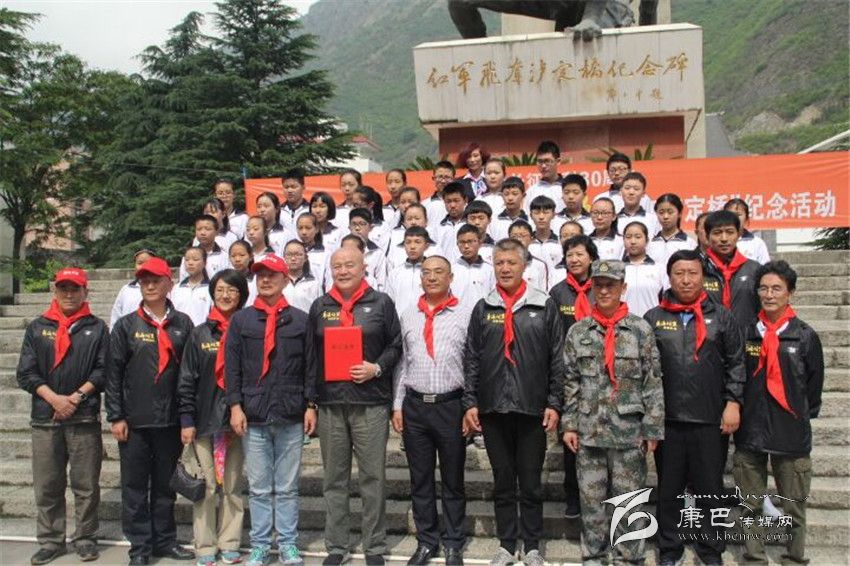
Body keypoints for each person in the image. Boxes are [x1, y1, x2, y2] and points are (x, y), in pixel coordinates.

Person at [462, 238, 564, 566]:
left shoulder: (543, 305)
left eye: (511, 263)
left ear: (524, 266)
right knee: (503, 481)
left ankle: (531, 545)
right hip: (493, 408)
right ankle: (507, 545)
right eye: (499, 263)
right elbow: (472, 358)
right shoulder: (484, 307)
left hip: (532, 408)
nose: (505, 269)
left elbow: (557, 357)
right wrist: (470, 402)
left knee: (531, 483)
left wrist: (554, 403)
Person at [643, 249, 746, 566]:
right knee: (669, 489)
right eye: (679, 273)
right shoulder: (654, 318)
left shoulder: (723, 316)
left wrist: (733, 402)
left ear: (703, 277)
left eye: (692, 273)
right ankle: (670, 549)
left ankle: (710, 549)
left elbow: (736, 363)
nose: (686, 280)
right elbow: (644, 371)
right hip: (668, 420)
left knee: (710, 489)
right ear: (669, 277)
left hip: (709, 419)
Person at [563, 259, 664, 565]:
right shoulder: (578, 332)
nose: (604, 291)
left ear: (623, 288)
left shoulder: (640, 330)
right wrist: (569, 424)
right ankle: (594, 557)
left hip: (628, 433)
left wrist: (652, 428)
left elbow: (652, 381)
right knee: (591, 503)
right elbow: (571, 382)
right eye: (599, 285)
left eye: (611, 285)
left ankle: (628, 559)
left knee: (629, 503)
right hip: (589, 431)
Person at [305, 247, 402, 566]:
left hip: (370, 402)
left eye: (349, 265)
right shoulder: (321, 306)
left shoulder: (381, 303)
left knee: (373, 477)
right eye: (337, 266)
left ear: (363, 268)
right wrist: (310, 402)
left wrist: (377, 368)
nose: (343, 271)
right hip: (331, 403)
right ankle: (337, 545)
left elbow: (396, 345)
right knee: (334, 478)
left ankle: (374, 546)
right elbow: (311, 357)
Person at [224, 254, 313, 566]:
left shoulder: (301, 320)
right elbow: (232, 367)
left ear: (285, 279)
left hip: (290, 413)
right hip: (254, 413)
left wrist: (310, 405)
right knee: (260, 489)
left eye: (272, 274)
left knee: (287, 488)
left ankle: (288, 543)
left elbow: (311, 367)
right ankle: (260, 545)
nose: (265, 279)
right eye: (260, 274)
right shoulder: (241, 320)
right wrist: (235, 406)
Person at [105, 256, 195, 565]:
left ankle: (164, 541)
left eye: (156, 280)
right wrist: (116, 415)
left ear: (169, 283)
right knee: (134, 488)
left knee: (165, 486)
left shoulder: (183, 324)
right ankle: (140, 548)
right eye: (144, 281)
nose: (150, 285)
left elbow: (188, 374)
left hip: (170, 420)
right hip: (135, 421)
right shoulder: (126, 325)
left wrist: (187, 416)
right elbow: (113, 374)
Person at [734, 260, 824, 565]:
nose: (769, 295)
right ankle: (754, 557)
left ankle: (794, 558)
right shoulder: (748, 333)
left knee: (794, 505)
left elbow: (813, 388)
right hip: (751, 431)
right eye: (763, 288)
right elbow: (737, 377)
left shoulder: (805, 336)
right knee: (750, 505)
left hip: (791, 432)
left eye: (776, 288)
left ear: (790, 293)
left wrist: (796, 415)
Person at [17, 267, 108, 565]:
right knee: (47, 484)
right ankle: (51, 540)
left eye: (75, 288)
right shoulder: (37, 327)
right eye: (63, 288)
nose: (69, 294)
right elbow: (26, 373)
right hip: (46, 418)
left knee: (86, 485)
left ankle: (86, 538)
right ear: (55, 291)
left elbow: (103, 370)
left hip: (84, 417)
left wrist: (76, 397)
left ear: (85, 291)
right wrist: (54, 399)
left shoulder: (97, 327)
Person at [392, 256, 472, 566]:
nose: (432, 277)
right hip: (415, 407)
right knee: (420, 478)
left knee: (453, 479)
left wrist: (470, 406)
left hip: (451, 406)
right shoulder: (408, 314)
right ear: (420, 278)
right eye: (426, 273)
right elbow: (402, 363)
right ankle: (427, 541)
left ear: (451, 277)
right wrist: (397, 405)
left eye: (439, 272)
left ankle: (453, 542)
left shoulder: (465, 313)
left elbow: (472, 364)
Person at [177, 269, 249, 566]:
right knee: (205, 487)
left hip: (238, 420)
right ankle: (205, 546)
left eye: (232, 290)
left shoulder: (248, 329)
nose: (225, 295)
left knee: (232, 487)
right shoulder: (200, 333)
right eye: (220, 289)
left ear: (241, 295)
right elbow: (186, 379)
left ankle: (230, 542)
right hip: (204, 419)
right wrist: (186, 419)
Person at [548, 236, 599, 518]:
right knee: (571, 436)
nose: (574, 260)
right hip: (569, 373)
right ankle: (573, 497)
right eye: (570, 255)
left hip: (599, 374)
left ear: (591, 257)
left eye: (580, 254)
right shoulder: (558, 292)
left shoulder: (602, 287)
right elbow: (553, 334)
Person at [703, 210, 761, 327]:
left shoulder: (754, 269)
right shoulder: (698, 269)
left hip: (746, 335)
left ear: (738, 234)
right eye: (717, 233)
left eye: (730, 232)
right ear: (707, 236)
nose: (724, 238)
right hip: (709, 336)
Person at [387, 226, 432, 316]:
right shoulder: (395, 273)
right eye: (408, 242)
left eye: (417, 242)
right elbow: (389, 302)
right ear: (404, 245)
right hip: (400, 321)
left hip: (427, 320)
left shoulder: (432, 273)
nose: (412, 247)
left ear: (426, 246)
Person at [622, 222, 665, 317]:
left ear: (647, 240)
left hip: (652, 321)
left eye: (638, 237)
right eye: (628, 237)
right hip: (623, 322)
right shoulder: (617, 269)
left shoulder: (659, 269)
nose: (633, 241)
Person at [386, 205, 439, 275]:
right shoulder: (396, 248)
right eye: (409, 219)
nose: (413, 222)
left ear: (426, 221)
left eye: (417, 218)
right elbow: (390, 271)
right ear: (404, 223)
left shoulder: (435, 248)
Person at [110, 248, 156, 328]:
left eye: (148, 263)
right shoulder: (126, 290)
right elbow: (116, 316)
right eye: (140, 263)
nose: (144, 266)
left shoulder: (161, 289)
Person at [451, 224, 495, 307]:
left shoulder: (490, 270)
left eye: (470, 241)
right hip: (456, 313)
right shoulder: (451, 269)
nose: (466, 246)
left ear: (480, 243)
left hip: (482, 313)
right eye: (462, 242)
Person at [648, 193, 696, 266]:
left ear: (679, 214)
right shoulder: (649, 244)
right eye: (661, 212)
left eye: (670, 212)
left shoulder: (690, 244)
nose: (665, 216)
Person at [179, 215, 230, 281]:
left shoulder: (225, 257)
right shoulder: (188, 257)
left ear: (216, 231)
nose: (202, 233)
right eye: (199, 229)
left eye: (207, 229)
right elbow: (183, 280)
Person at [171, 246, 213, 326]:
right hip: (179, 330)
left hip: (202, 331)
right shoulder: (176, 288)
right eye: (187, 260)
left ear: (205, 263)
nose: (190, 263)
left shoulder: (211, 288)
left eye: (195, 259)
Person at [346, 210, 388, 291]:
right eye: (354, 224)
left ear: (371, 227)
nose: (357, 228)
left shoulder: (377, 253)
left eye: (362, 224)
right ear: (349, 227)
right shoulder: (341, 250)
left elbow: (382, 284)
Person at [507, 220, 551, 292]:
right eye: (514, 236)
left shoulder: (540, 265)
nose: (519, 239)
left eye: (523, 236)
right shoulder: (503, 264)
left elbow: (543, 291)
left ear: (531, 238)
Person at [724, 198, 771, 264]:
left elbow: (765, 267)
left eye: (738, 214)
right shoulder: (718, 241)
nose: (734, 218)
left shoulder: (757, 243)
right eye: (730, 214)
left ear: (746, 218)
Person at [282, 239, 323, 313]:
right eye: (289, 254)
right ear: (284, 257)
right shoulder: (278, 282)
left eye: (298, 255)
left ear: (305, 258)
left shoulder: (314, 284)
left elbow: (320, 310)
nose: (293, 258)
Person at [432, 181, 469, 262]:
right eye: (448, 201)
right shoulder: (439, 227)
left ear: (465, 200)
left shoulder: (470, 224)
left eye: (456, 201)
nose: (452, 205)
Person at [615, 172, 658, 237]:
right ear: (620, 191)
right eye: (627, 188)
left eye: (636, 189)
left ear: (643, 193)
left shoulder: (653, 219)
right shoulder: (613, 220)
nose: (631, 192)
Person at [488, 176, 529, 242]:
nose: (510, 198)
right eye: (506, 194)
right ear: (502, 196)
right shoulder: (493, 221)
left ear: (523, 196)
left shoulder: (530, 221)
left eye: (514, 194)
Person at [525, 140, 563, 210]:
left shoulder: (567, 189)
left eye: (547, 161)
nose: (543, 166)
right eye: (540, 161)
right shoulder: (531, 191)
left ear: (558, 162)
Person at [296, 212, 330, 288]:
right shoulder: (293, 252)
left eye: (308, 228)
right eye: (300, 228)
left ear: (316, 229)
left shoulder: (325, 254)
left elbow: (329, 281)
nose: (304, 232)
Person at [353, 186, 391, 252]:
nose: (354, 209)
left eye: (357, 205)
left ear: (370, 205)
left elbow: (384, 252)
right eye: (353, 204)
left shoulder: (382, 227)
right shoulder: (350, 224)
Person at [425, 160, 460, 233]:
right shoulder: (425, 205)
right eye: (440, 177)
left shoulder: (462, 203)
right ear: (433, 178)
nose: (443, 181)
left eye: (447, 177)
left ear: (454, 179)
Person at [528, 195, 561, 268]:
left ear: (553, 215)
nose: (541, 217)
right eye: (536, 213)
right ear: (531, 215)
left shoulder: (560, 242)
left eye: (546, 212)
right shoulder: (526, 243)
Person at [278, 169, 311, 236]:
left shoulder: (310, 210)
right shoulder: (278, 211)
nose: (289, 190)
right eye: (286, 187)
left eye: (293, 187)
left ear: (303, 187)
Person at [228, 240, 258, 304]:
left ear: (251, 257)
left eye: (242, 255)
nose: (237, 259)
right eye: (233, 256)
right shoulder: (226, 280)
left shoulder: (256, 279)